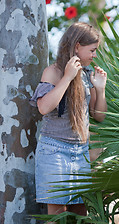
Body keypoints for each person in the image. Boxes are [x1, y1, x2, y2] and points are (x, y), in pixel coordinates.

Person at [29, 22, 107, 216]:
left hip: (80, 152)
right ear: (77, 46)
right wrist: (67, 77)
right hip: (54, 151)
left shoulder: (87, 75)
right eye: (92, 50)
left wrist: (100, 88)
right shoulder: (53, 72)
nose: (94, 55)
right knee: (57, 215)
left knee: (80, 214)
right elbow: (44, 107)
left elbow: (99, 116)